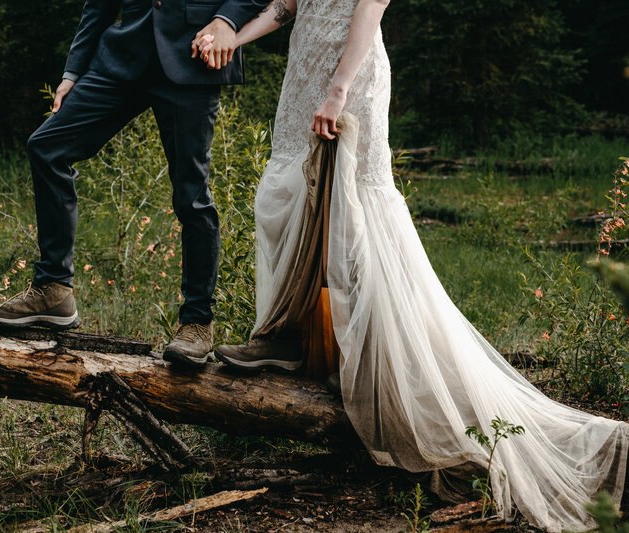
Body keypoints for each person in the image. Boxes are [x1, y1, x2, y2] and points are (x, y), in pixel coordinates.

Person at [194, 0, 629, 531]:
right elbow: (285, 7)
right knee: (286, 199)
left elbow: (371, 8)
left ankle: (375, 360)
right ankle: (290, 336)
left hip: (348, 73)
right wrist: (232, 39)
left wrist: (339, 88)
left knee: (354, 219)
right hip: (304, 68)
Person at [0, 0, 267, 366]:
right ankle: (53, 289)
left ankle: (196, 324)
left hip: (195, 52)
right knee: (46, 147)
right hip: (123, 56)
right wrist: (72, 72)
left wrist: (227, 20)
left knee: (191, 197)